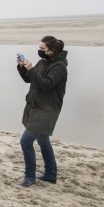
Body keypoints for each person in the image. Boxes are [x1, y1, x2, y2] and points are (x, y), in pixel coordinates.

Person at [16, 36, 68, 187]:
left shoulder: (59, 67)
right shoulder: (43, 62)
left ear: (52, 51)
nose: (39, 51)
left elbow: (46, 84)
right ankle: (51, 174)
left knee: (25, 141)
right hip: (36, 107)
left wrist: (32, 69)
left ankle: (30, 176)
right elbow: (29, 79)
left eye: (42, 49)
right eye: (39, 48)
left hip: (47, 110)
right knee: (43, 141)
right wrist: (22, 67)